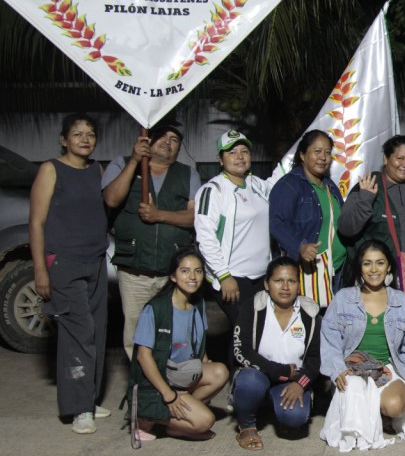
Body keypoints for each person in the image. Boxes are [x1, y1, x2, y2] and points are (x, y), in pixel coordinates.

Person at [29, 114, 109, 434]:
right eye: (77, 134)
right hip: (64, 263)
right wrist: (40, 270)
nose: (85, 139)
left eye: (90, 134)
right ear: (64, 139)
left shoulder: (96, 170)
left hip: (96, 261)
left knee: (97, 332)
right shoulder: (50, 169)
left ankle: (88, 398)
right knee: (79, 333)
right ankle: (78, 410)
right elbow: (36, 223)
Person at [340, 134, 405, 389]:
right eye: (399, 158)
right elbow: (347, 228)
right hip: (382, 277)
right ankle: (379, 381)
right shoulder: (369, 184)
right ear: (386, 159)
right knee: (385, 332)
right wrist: (364, 199)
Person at [319, 240, 405, 451]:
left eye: (379, 263)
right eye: (367, 263)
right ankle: (371, 409)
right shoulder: (343, 299)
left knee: (395, 406)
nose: (373, 270)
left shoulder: (401, 302)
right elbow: (330, 340)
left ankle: (380, 409)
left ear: (389, 266)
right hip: (352, 369)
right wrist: (337, 370)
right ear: (359, 267)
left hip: (387, 368)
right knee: (354, 392)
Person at [103, 122, 201, 359]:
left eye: (175, 139)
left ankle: (171, 385)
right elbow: (111, 199)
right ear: (148, 140)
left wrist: (160, 215)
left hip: (174, 271)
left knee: (173, 330)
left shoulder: (188, 173)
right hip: (135, 269)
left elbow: (195, 217)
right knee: (137, 332)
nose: (168, 142)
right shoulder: (121, 163)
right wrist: (135, 161)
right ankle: (142, 387)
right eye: (162, 136)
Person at [126, 249, 229, 441]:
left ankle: (181, 411)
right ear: (173, 276)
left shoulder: (197, 304)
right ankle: (148, 417)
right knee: (205, 421)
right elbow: (143, 356)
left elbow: (200, 342)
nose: (192, 277)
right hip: (160, 380)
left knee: (219, 372)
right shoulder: (155, 309)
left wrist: (204, 362)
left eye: (198, 271)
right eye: (185, 271)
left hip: (181, 375)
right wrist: (168, 395)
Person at [232, 257, 320, 451]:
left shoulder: (310, 314)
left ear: (299, 285)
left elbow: (316, 359)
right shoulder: (253, 308)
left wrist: (300, 383)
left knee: (295, 417)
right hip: (258, 374)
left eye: (292, 281)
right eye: (278, 281)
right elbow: (240, 350)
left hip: (293, 379)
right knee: (249, 383)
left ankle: (276, 408)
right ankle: (247, 426)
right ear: (266, 284)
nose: (285, 287)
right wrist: (279, 371)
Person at [194, 130, 273, 325]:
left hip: (263, 277)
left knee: (258, 334)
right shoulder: (213, 190)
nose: (239, 157)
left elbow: (279, 182)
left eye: (244, 151)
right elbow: (205, 237)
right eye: (231, 152)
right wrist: (224, 276)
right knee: (245, 332)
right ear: (220, 159)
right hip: (234, 277)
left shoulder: (256, 184)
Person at [269, 129, 346, 307]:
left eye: (327, 153)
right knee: (311, 324)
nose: (323, 157)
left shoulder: (329, 185)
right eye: (317, 151)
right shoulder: (289, 185)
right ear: (303, 155)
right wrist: (300, 247)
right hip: (310, 273)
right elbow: (277, 223)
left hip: (336, 269)